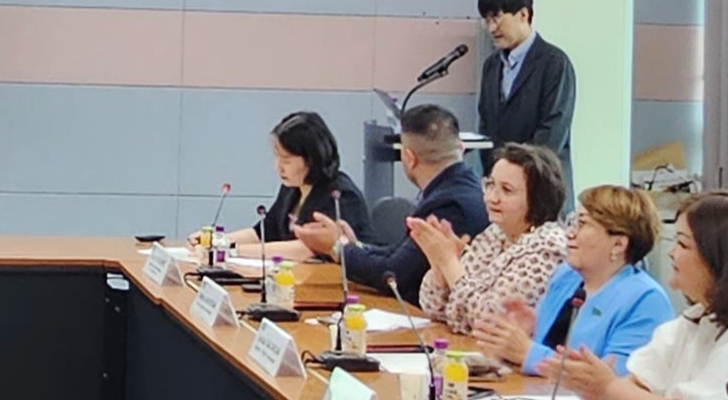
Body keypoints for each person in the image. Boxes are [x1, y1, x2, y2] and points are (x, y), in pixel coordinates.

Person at [551, 191, 728, 400]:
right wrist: (602, 387)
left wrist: (611, 389)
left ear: (718, 258)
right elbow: (636, 390)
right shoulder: (697, 318)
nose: (671, 253)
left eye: (683, 244)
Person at [293, 103, 483, 304]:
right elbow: (398, 253)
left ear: (409, 158)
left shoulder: (449, 205)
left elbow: (395, 275)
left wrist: (337, 248)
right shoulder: (458, 188)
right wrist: (354, 245)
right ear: (460, 148)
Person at [485, 182, 675, 376]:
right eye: (572, 223)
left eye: (582, 224)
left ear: (618, 245)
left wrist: (528, 352)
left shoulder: (647, 300)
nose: (570, 233)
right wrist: (525, 334)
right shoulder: (566, 277)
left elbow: (614, 381)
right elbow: (540, 352)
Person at [416, 143, 570, 338]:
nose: (491, 198)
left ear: (538, 198)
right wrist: (439, 270)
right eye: (490, 185)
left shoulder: (549, 248)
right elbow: (433, 308)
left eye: (506, 190)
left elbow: (488, 320)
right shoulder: (495, 233)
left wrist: (449, 263)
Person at [230, 111, 368, 260]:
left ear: (311, 159)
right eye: (277, 158)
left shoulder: (340, 195)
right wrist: (218, 242)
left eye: (286, 160)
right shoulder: (292, 187)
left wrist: (235, 251)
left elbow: (309, 248)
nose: (278, 167)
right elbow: (263, 232)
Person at [476, 0, 575, 184]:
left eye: (496, 17)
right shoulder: (491, 65)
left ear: (523, 15)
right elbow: (486, 125)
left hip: (541, 182)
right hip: (502, 183)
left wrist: (519, 173)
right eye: (486, 20)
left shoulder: (554, 62)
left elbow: (553, 131)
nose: (491, 28)